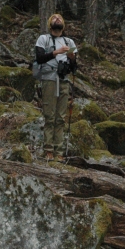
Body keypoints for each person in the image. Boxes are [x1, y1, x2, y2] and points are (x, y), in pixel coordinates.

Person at [34, 13, 78, 158]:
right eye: (54, 18)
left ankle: (59, 152)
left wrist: (71, 58)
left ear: (63, 24)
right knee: (49, 116)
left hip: (64, 80)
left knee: (60, 117)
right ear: (49, 23)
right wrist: (56, 52)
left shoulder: (69, 42)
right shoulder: (43, 39)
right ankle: (48, 150)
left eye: (60, 18)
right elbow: (39, 58)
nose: (57, 19)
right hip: (49, 80)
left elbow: (74, 67)